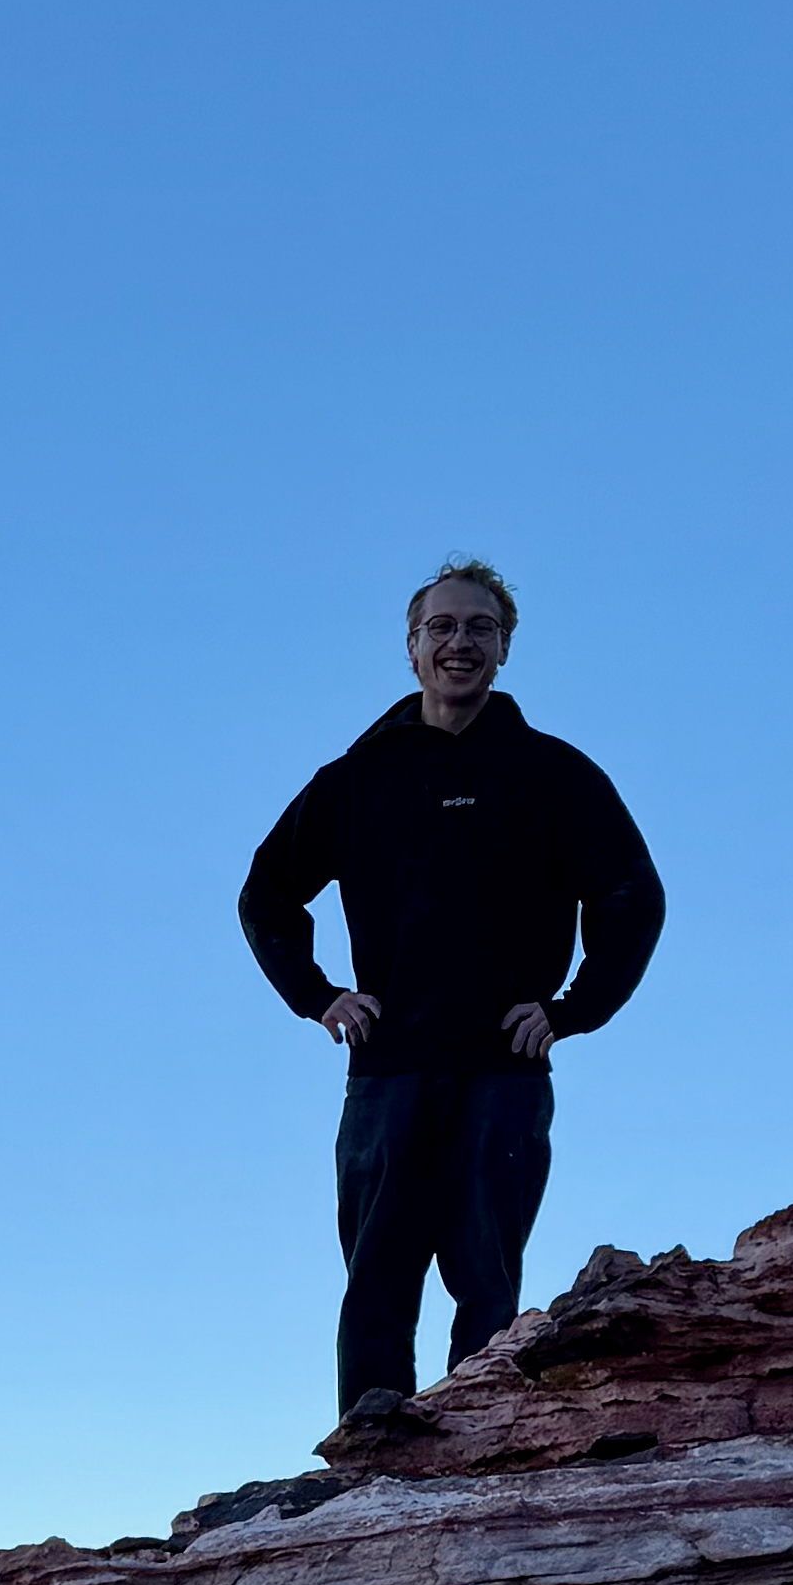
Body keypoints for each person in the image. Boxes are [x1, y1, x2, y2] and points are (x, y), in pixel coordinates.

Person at [239, 562, 664, 1448]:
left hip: (503, 1072)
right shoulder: (357, 779)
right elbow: (267, 893)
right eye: (441, 627)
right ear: (412, 648)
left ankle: (480, 1452)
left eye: (479, 627)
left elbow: (632, 897)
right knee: (377, 1287)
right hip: (387, 1073)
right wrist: (318, 996)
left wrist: (572, 1010)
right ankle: (372, 1463)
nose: (459, 643)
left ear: (505, 648)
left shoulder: (552, 775)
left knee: (486, 1285)